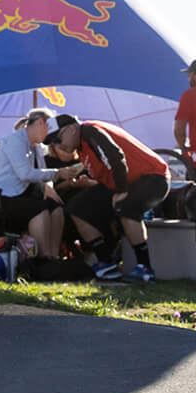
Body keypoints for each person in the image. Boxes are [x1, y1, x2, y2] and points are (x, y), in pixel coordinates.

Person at [45, 115, 165, 283]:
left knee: (126, 207)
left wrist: (121, 190)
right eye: (53, 142)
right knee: (76, 208)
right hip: (127, 180)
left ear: (71, 129)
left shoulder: (89, 131)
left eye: (58, 138)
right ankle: (106, 263)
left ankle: (145, 267)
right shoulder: (81, 145)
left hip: (152, 177)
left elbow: (115, 156)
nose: (58, 145)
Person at [0, 106, 71, 256]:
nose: (49, 135)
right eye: (49, 129)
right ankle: (43, 257)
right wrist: (58, 173)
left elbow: (41, 174)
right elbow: (25, 174)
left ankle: (53, 257)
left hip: (16, 194)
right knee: (39, 209)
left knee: (56, 207)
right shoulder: (14, 141)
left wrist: (50, 189)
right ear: (41, 123)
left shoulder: (36, 148)